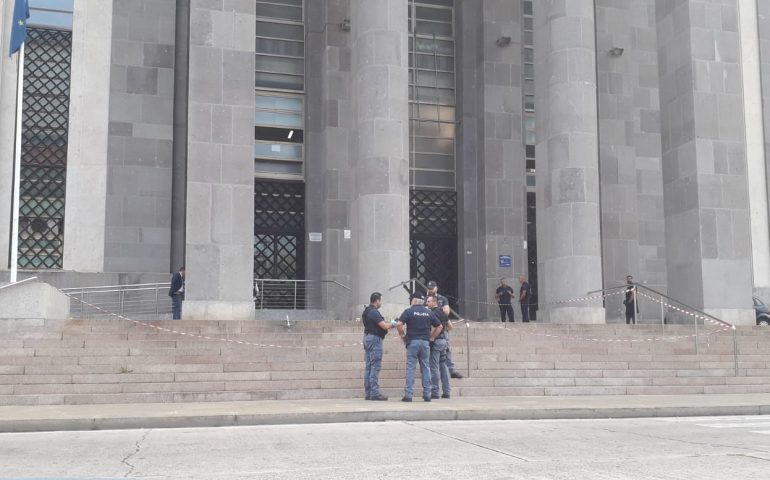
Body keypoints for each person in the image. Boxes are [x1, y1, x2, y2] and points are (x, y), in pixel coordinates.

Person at [397, 293, 442, 402]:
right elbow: (439, 326)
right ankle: (427, 394)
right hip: (425, 343)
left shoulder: (409, 311)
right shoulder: (429, 312)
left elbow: (399, 324)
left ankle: (408, 395)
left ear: (414, 300)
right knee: (426, 367)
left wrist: (403, 335)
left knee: (411, 368)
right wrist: (432, 337)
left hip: (412, 342)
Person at [425, 280, 463, 379]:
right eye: (428, 288)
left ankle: (452, 370)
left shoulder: (442, 298)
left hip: (442, 328)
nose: (430, 290)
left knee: (447, 350)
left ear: (436, 288)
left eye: (432, 288)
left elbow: (447, 311)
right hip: (429, 329)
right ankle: (430, 371)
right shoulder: (425, 299)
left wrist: (435, 309)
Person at [362, 292, 392, 401]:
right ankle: (374, 393)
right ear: (377, 300)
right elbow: (384, 326)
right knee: (375, 366)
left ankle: (368, 393)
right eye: (381, 300)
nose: (381, 303)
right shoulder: (374, 312)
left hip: (367, 338)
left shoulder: (366, 311)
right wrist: (393, 323)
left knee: (369, 366)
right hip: (374, 339)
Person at [427, 295, 451, 399]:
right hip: (443, 341)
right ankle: (447, 391)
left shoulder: (432, 313)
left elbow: (437, 327)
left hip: (436, 342)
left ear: (434, 302)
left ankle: (435, 392)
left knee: (434, 367)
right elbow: (450, 326)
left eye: (428, 301)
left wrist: (432, 337)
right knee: (443, 366)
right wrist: (443, 333)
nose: (427, 303)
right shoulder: (443, 312)